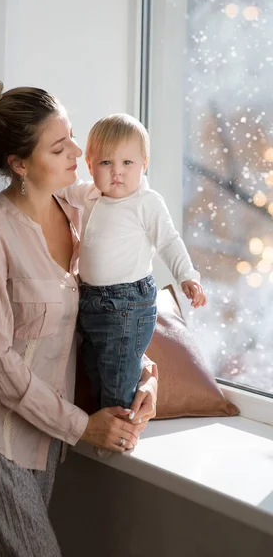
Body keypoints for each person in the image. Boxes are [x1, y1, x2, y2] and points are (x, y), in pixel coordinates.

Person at [0, 82, 158, 557]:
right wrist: (80, 426)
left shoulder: (82, 212)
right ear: (20, 164)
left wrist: (145, 375)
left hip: (40, 441)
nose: (76, 151)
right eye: (58, 146)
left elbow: (112, 310)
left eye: (71, 136)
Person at [57, 113, 206, 423]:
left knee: (117, 373)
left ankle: (121, 429)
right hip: (90, 300)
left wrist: (187, 276)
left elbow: (168, 241)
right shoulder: (90, 195)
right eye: (106, 163)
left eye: (128, 163)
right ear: (90, 166)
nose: (117, 173)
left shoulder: (146, 202)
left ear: (144, 164)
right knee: (91, 365)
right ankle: (104, 421)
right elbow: (59, 190)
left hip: (128, 303)